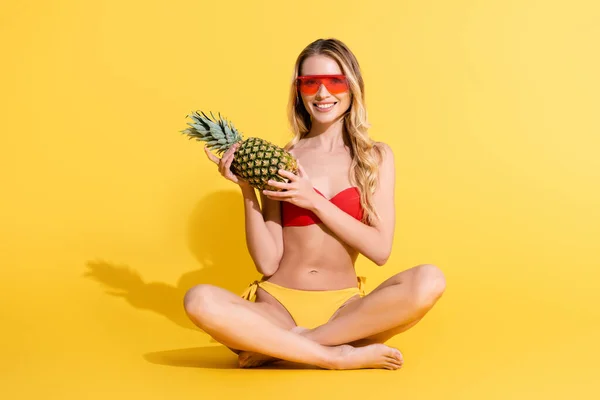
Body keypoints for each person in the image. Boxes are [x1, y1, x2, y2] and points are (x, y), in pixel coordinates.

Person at [183, 38, 446, 370]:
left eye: (334, 81)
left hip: (342, 310)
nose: (323, 94)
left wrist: (313, 201)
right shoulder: (282, 158)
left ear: (352, 87)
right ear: (299, 91)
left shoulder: (375, 158)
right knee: (199, 299)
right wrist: (248, 191)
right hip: (277, 305)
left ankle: (284, 347)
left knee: (430, 280)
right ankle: (334, 356)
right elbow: (267, 262)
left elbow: (379, 250)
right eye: (310, 83)